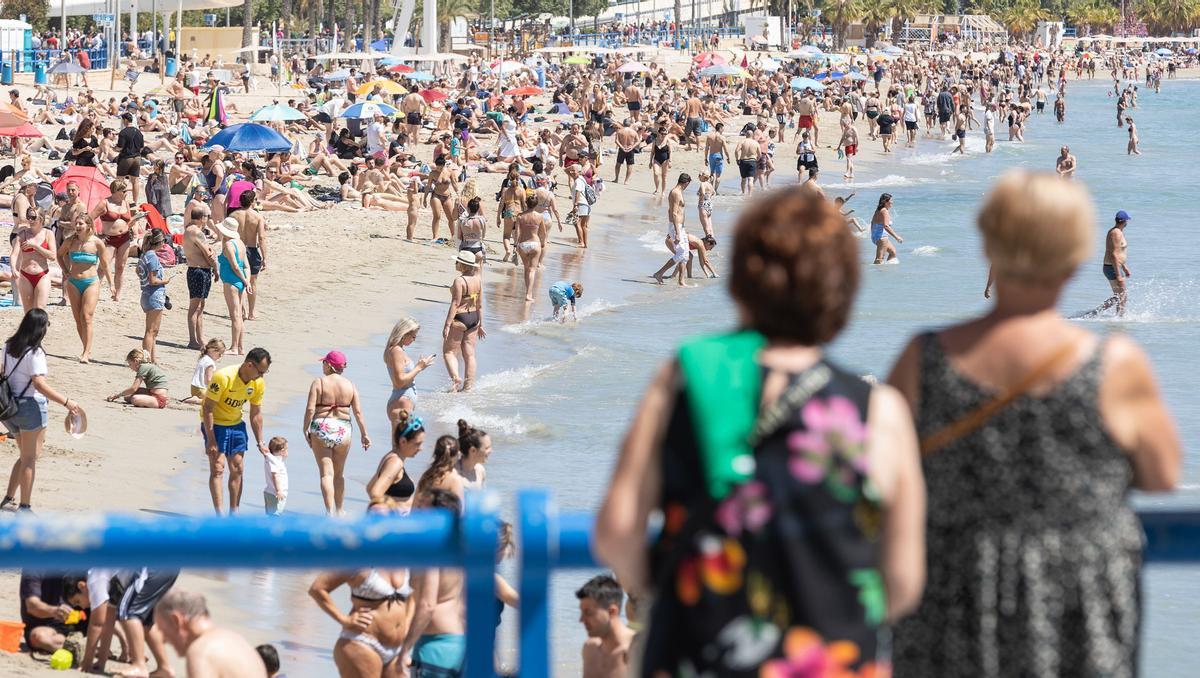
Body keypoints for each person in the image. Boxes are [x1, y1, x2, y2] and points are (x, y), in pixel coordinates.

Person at [595, 187, 925, 676]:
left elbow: (617, 530)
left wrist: (673, 588)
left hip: (697, 651)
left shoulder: (685, 376)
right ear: (843, 292)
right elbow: (902, 581)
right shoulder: (878, 410)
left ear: (742, 282)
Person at [888, 171, 1180, 677]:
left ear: (989, 248)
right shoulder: (1114, 363)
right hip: (1076, 595)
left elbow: (882, 470)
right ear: (1073, 258)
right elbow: (1161, 475)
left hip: (953, 585)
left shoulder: (924, 358)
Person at [309, 509, 412, 678]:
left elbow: (414, 596)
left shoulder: (402, 558)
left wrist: (407, 629)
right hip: (362, 642)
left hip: (396, 650)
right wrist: (344, 619)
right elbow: (317, 588)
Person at [1, 310, 82, 512]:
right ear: (41, 328)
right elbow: (39, 384)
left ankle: (8, 498)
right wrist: (67, 402)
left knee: (24, 455)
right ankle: (25, 506)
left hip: (9, 409)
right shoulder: (35, 352)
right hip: (30, 408)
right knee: (30, 458)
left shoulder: (8, 345)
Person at [399, 488, 466, 678]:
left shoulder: (434, 552)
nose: (417, 512)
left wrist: (405, 649)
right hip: (459, 641)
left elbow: (427, 605)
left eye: (422, 509)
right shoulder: (458, 549)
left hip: (434, 646)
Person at [200, 348, 271, 515]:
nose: (261, 376)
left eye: (265, 372)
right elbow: (208, 408)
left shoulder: (257, 383)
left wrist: (260, 441)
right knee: (218, 468)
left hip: (236, 424)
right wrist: (210, 439)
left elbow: (255, 413)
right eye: (260, 372)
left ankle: (234, 513)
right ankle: (220, 515)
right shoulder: (223, 377)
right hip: (215, 423)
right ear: (249, 365)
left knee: (237, 468)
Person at [303, 350, 371, 516]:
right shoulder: (351, 385)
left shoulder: (319, 382)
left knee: (326, 473)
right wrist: (364, 434)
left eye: (324, 363)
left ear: (329, 365)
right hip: (343, 429)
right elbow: (358, 413)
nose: (322, 366)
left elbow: (311, 408)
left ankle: (329, 512)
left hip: (322, 427)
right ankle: (340, 510)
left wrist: (305, 427)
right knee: (339, 475)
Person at [155, 589, 267, 678]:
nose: (164, 640)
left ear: (176, 620)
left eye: (163, 631)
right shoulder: (238, 641)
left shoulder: (201, 651)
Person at [57, 214, 111, 363]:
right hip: (73, 282)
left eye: (81, 224)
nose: (78, 226)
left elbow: (105, 265)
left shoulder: (97, 243)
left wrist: (111, 284)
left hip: (91, 282)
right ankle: (85, 348)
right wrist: (66, 271)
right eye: (76, 224)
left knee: (86, 316)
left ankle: (86, 353)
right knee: (77, 319)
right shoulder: (70, 242)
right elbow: (59, 255)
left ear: (89, 226)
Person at [442, 251, 485, 393]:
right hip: (474, 318)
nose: (455, 263)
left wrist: (447, 324)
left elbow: (455, 303)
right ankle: (468, 387)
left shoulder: (459, 281)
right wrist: (481, 324)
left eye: (457, 261)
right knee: (470, 354)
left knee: (449, 352)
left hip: (460, 318)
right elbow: (479, 304)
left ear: (462, 264)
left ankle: (456, 379)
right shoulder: (478, 280)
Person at [577, 575, 634, 678]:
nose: (581, 620)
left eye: (588, 612)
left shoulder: (636, 649)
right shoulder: (590, 649)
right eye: (581, 612)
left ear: (612, 611)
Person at [19, 571, 89, 654]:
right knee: (39, 638)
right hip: (45, 624)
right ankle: (81, 648)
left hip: (79, 619)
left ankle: (84, 646)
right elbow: (32, 606)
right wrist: (54, 611)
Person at [385, 317, 436, 426]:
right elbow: (400, 382)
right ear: (404, 334)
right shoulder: (396, 351)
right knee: (405, 440)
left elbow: (403, 376)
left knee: (401, 440)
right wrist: (418, 368)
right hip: (402, 400)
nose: (414, 339)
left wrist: (421, 366)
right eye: (413, 336)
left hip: (402, 399)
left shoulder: (396, 350)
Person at [214, 216, 252, 355]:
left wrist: (245, 281)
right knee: (239, 316)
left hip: (232, 282)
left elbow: (235, 266)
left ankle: (235, 347)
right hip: (240, 282)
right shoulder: (240, 243)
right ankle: (240, 348)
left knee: (235, 315)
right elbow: (246, 266)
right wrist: (246, 281)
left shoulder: (230, 245)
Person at [183, 205, 218, 348]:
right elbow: (207, 252)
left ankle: (200, 339)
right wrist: (216, 267)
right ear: (202, 218)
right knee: (195, 307)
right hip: (199, 271)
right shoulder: (196, 232)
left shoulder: (189, 230)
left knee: (200, 306)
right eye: (207, 217)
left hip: (196, 270)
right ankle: (193, 340)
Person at [136, 229, 172, 364]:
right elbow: (153, 280)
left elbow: (138, 271)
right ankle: (146, 359)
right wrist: (165, 281)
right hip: (154, 294)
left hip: (147, 294)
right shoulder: (152, 257)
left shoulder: (145, 255)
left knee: (152, 331)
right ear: (160, 242)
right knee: (151, 331)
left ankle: (152, 359)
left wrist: (143, 280)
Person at [651, 173, 692, 286]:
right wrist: (678, 233)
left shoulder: (679, 192)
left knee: (686, 255)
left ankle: (681, 281)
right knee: (681, 254)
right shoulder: (676, 193)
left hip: (680, 227)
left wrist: (682, 229)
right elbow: (673, 213)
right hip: (676, 227)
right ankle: (659, 273)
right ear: (686, 183)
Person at [234, 191, 268, 320]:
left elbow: (227, 236)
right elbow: (262, 238)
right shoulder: (257, 217)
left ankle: (241, 311)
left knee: (240, 282)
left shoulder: (234, 215)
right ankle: (251, 313)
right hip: (252, 250)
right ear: (252, 201)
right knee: (252, 282)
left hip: (238, 249)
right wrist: (265, 258)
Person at [1098, 209, 1133, 316]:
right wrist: (1118, 274)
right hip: (1112, 268)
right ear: (1124, 221)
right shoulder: (1116, 233)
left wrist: (1124, 267)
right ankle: (1119, 318)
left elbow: (1117, 253)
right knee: (1122, 295)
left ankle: (1097, 312)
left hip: (1113, 266)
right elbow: (1113, 254)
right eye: (1127, 220)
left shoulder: (1116, 232)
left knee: (1118, 295)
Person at [115, 112, 145, 203]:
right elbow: (141, 147)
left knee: (120, 180)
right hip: (137, 157)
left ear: (125, 120)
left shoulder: (123, 132)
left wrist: (113, 148)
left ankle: (118, 200)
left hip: (126, 157)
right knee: (135, 180)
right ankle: (135, 201)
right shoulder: (139, 132)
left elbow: (120, 147)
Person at [186, 338, 225, 404]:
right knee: (218, 401)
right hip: (201, 389)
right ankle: (197, 400)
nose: (220, 356)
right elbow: (209, 380)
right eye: (220, 354)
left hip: (194, 388)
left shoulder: (203, 358)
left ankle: (196, 397)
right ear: (213, 351)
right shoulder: (210, 364)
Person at [456, 419, 491, 490]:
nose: (491, 451)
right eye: (487, 448)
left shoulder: (480, 471)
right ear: (473, 450)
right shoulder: (452, 474)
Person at [870, 193, 903, 264]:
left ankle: (886, 273)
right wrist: (897, 237)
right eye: (891, 200)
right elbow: (886, 226)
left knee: (893, 252)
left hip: (876, 236)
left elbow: (872, 222)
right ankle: (876, 273)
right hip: (882, 237)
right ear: (885, 201)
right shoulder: (884, 211)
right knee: (879, 259)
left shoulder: (878, 210)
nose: (892, 202)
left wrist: (873, 235)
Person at [567, 164, 591, 248]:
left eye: (574, 171)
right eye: (571, 170)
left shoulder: (578, 181)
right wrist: (572, 167)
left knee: (577, 223)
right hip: (586, 205)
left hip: (580, 203)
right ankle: (585, 243)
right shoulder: (581, 179)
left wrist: (575, 205)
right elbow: (566, 170)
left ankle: (581, 242)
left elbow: (578, 192)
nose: (571, 172)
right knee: (583, 225)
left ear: (579, 172)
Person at [263, 436, 288, 516]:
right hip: (275, 494)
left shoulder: (269, 457)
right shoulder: (275, 462)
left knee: (270, 514)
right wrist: (278, 491)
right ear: (282, 451)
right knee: (276, 514)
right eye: (287, 449)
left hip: (269, 492)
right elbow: (275, 476)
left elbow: (265, 452)